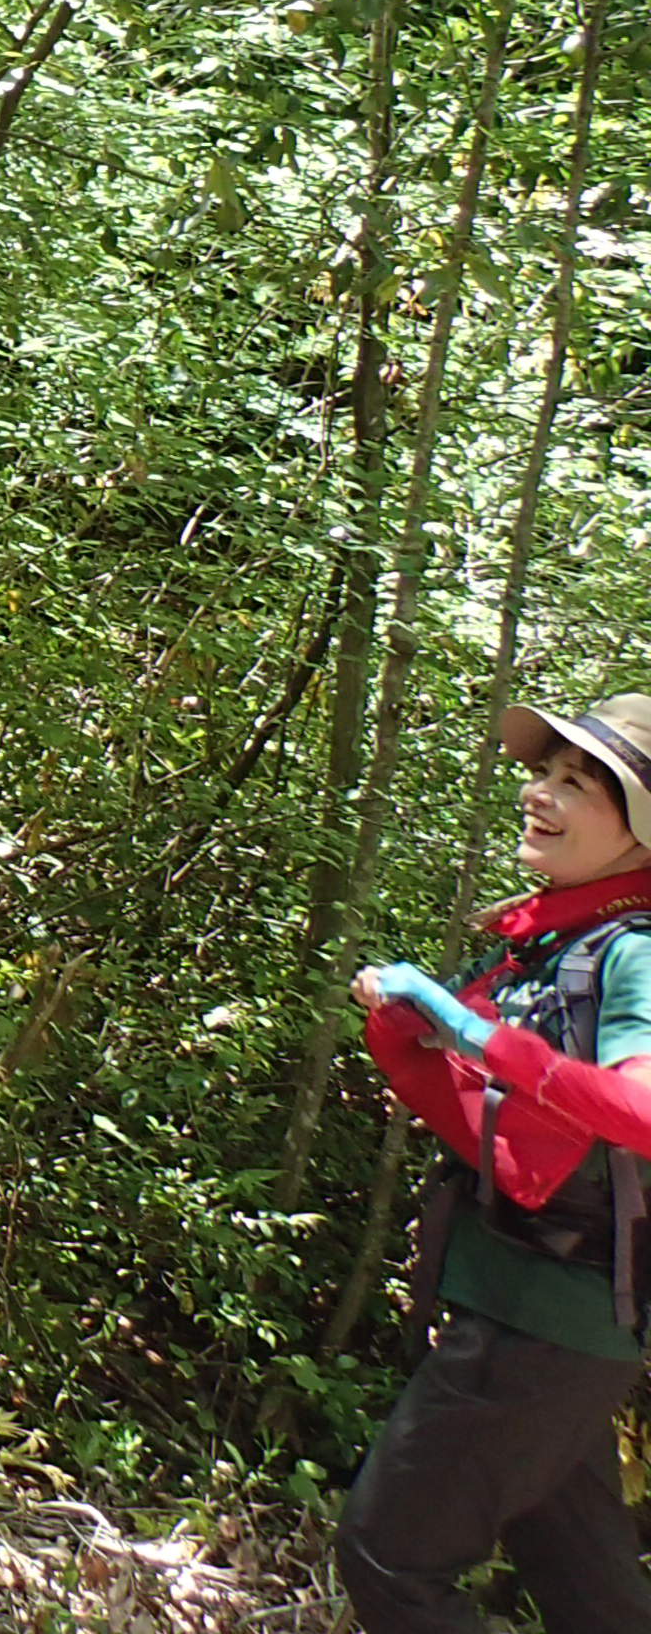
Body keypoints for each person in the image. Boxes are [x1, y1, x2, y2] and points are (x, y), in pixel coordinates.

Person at [346, 693, 651, 1633]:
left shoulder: (632, 952)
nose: (539, 793)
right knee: (588, 1588)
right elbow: (512, 1146)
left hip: (547, 1326)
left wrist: (481, 1035)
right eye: (544, 773)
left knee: (387, 1558)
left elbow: (642, 1110)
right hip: (547, 1312)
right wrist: (404, 1045)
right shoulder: (557, 946)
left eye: (576, 784)